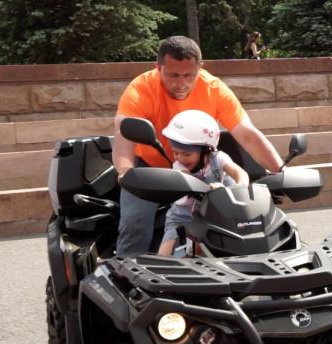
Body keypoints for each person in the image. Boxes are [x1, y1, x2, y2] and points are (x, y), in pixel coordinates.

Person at [113, 35, 282, 255]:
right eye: (173, 75)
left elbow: (247, 134)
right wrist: (126, 172)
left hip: (203, 168)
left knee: (242, 214)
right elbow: (124, 134)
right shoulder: (141, 89)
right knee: (135, 222)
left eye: (188, 75)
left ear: (200, 68)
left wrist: (281, 171)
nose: (181, 83)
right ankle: (126, 271)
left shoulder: (214, 88)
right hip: (150, 169)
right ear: (158, 67)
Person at [157, 110, 249, 256]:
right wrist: (209, 188)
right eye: (175, 153)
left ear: (206, 150)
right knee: (165, 254)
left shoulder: (218, 158)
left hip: (215, 215)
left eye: (187, 154)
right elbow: (188, 182)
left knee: (209, 252)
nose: (180, 158)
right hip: (183, 216)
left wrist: (239, 187)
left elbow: (240, 173)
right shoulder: (179, 167)